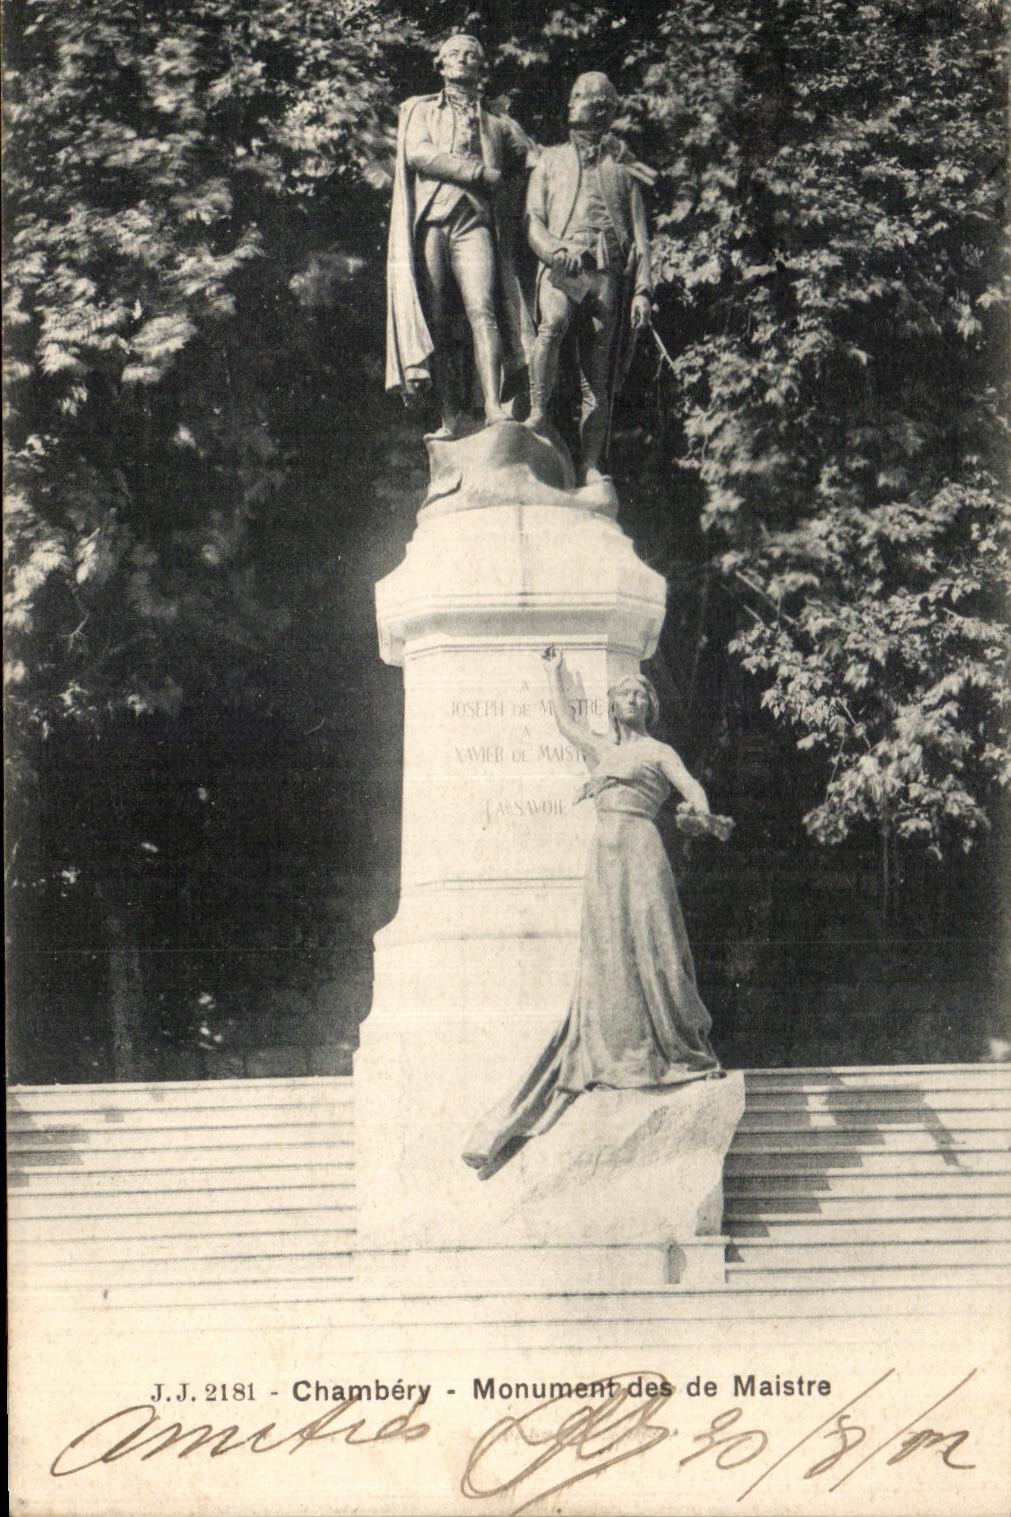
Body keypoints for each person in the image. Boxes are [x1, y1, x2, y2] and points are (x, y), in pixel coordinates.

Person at [463, 646, 725, 1177]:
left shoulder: (658, 751)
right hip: (603, 858)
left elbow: (690, 785)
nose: (634, 700)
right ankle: (623, 1050)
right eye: (626, 695)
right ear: (614, 705)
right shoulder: (601, 749)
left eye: (641, 696)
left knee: (657, 941)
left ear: (649, 707)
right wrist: (553, 672)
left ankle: (679, 1045)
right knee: (610, 955)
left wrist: (699, 811)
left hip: (642, 848)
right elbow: (566, 724)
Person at [385, 34, 538, 439]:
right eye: (455, 54)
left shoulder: (495, 123)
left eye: (472, 55)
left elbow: (532, 158)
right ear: (440, 65)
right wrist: (475, 172)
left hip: (474, 223)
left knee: (482, 310)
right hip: (433, 221)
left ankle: (493, 406)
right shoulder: (421, 110)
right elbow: (419, 154)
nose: (464, 59)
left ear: (481, 68)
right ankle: (449, 417)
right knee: (435, 319)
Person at [524, 72, 653, 483]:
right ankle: (538, 412)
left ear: (600, 108)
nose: (570, 103)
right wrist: (555, 251)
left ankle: (591, 466)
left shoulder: (625, 168)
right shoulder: (549, 160)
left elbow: (642, 238)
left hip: (607, 276)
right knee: (553, 323)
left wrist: (643, 291)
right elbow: (533, 222)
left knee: (596, 378)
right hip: (561, 268)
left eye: (579, 96)